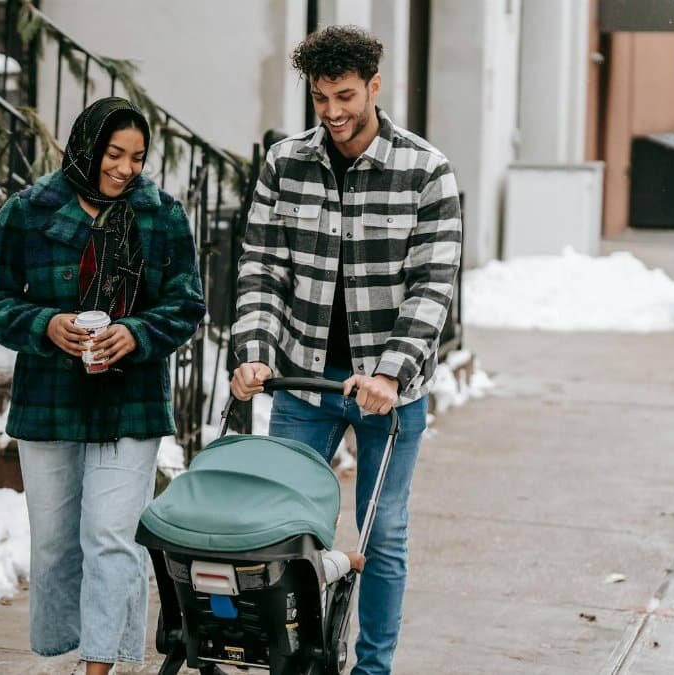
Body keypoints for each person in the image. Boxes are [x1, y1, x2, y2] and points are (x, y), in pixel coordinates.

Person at [229, 26, 462, 675]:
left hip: (386, 392)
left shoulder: (425, 171)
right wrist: (254, 349)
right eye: (321, 97)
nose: (332, 112)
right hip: (303, 383)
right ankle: (295, 656)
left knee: (380, 534)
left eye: (346, 95)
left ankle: (372, 667)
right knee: (285, 534)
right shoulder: (286, 161)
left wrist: (391, 371)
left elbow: (432, 285)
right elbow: (262, 266)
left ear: (375, 86)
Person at [0, 97, 205, 675]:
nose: (125, 169)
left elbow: (186, 304)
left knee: (109, 535)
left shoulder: (162, 215)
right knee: (54, 541)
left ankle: (101, 664)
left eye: (137, 157)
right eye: (114, 153)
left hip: (131, 399)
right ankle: (67, 647)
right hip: (50, 396)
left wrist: (137, 332)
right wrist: (45, 324)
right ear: (85, 147)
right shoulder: (28, 212)